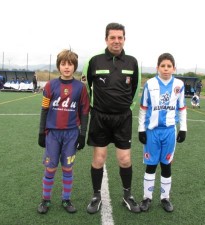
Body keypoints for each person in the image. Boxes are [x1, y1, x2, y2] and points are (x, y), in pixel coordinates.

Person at [82, 22, 141, 214]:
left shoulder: (132, 61)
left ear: (124, 39)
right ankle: (96, 195)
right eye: (112, 37)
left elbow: (135, 89)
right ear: (106, 39)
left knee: (124, 159)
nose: (116, 41)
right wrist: (93, 108)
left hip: (123, 118)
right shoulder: (94, 60)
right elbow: (86, 87)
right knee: (99, 158)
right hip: (100, 118)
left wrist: (126, 108)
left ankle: (127, 195)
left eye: (120, 37)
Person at [37, 49, 90, 214]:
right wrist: (41, 132)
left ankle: (66, 200)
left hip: (71, 134)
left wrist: (82, 134)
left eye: (70, 64)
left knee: (67, 168)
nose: (67, 67)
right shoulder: (50, 85)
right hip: (53, 134)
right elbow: (44, 109)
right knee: (50, 168)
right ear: (58, 66)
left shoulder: (80, 88)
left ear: (74, 66)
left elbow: (84, 112)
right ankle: (45, 200)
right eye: (63, 64)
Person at [138, 53, 187, 213]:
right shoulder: (150, 84)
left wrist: (183, 128)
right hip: (152, 132)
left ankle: (165, 198)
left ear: (174, 68)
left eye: (169, 66)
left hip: (169, 132)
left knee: (166, 165)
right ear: (157, 67)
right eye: (163, 66)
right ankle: (147, 198)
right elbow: (143, 108)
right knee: (151, 165)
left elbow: (182, 109)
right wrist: (141, 129)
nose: (166, 69)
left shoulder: (179, 84)